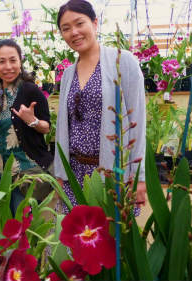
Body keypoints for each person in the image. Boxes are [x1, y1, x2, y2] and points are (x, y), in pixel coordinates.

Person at [53, 0, 147, 208]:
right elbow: (63, 128)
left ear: (95, 23)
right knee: (76, 236)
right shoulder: (68, 74)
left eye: (80, 24)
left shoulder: (123, 61)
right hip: (74, 174)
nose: (74, 33)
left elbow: (137, 121)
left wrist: (139, 176)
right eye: (66, 29)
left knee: (109, 237)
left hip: (112, 173)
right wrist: (60, 173)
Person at [0, 39, 54, 211]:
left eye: (13, 60)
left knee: (24, 225)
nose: (8, 66)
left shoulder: (30, 90)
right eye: (2, 61)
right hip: (1, 173)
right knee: (5, 225)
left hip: (27, 173)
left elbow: (47, 127)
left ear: (20, 62)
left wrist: (31, 120)